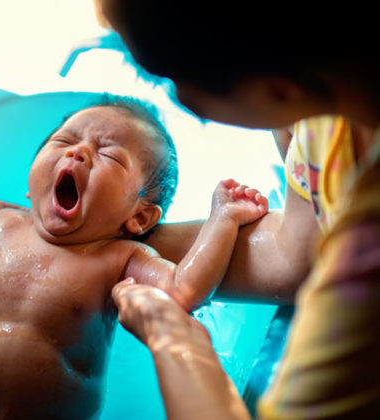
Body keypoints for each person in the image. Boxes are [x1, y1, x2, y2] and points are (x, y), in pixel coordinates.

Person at [0, 96, 268, 419]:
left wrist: (223, 220)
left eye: (108, 154)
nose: (77, 154)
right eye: (63, 141)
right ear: (30, 179)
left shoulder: (120, 258)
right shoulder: (3, 227)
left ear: (139, 216)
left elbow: (184, 290)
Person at [95, 2, 380, 418]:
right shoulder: (324, 89)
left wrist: (171, 333)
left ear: (277, 88)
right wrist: (105, 234)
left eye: (176, 83)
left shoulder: (367, 255)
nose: (184, 102)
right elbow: (296, 252)